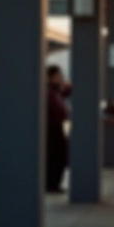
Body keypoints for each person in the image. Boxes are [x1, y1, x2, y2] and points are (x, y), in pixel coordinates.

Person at [46, 65, 71, 193]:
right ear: (51, 77)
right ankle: (52, 185)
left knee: (60, 156)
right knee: (57, 157)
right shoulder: (49, 92)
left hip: (58, 128)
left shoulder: (55, 90)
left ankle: (54, 184)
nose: (61, 77)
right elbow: (59, 112)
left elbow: (66, 91)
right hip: (53, 130)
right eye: (58, 75)